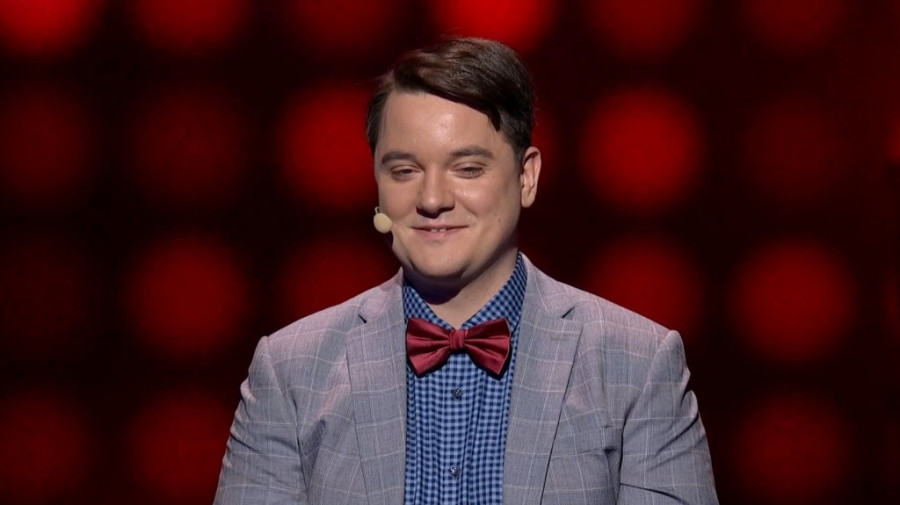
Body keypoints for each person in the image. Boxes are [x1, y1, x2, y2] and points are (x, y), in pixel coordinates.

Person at [214, 37, 718, 505]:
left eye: (468, 168)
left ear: (526, 177)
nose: (433, 199)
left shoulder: (637, 365)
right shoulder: (291, 371)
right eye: (404, 171)